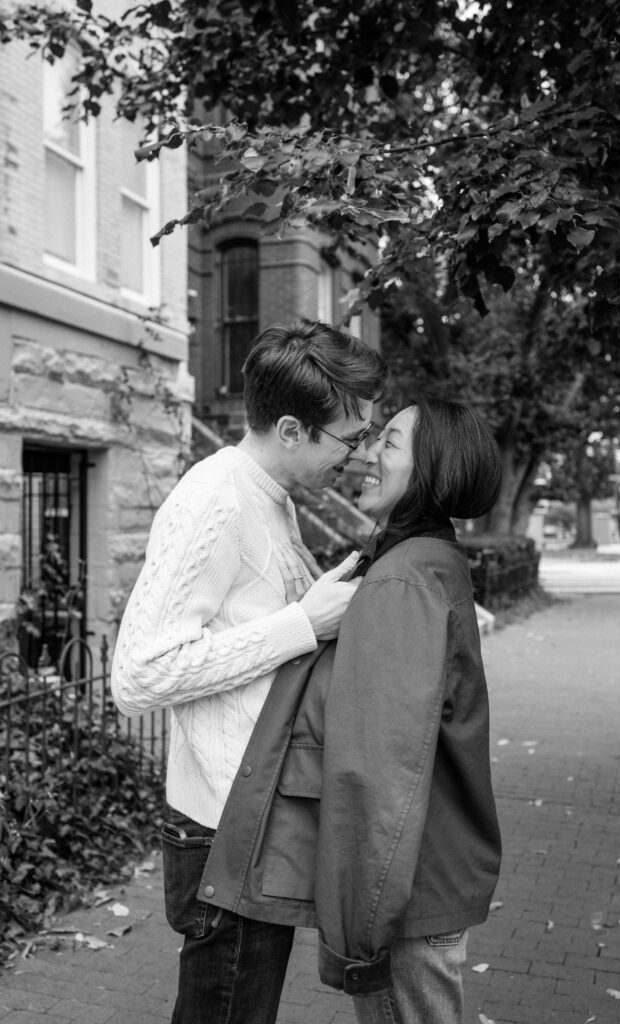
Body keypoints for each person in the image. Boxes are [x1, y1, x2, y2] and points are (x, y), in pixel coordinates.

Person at [110, 317, 387, 1024]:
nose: (358, 455)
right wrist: (301, 624)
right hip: (224, 828)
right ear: (291, 430)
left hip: (254, 814)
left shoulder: (270, 498)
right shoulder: (216, 498)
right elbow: (139, 674)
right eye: (350, 438)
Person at [198, 396, 503, 1024]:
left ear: (433, 469)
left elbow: (377, 777)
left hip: (405, 898)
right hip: (421, 880)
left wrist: (357, 936)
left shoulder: (403, 580)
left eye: (388, 442)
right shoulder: (419, 561)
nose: (364, 454)